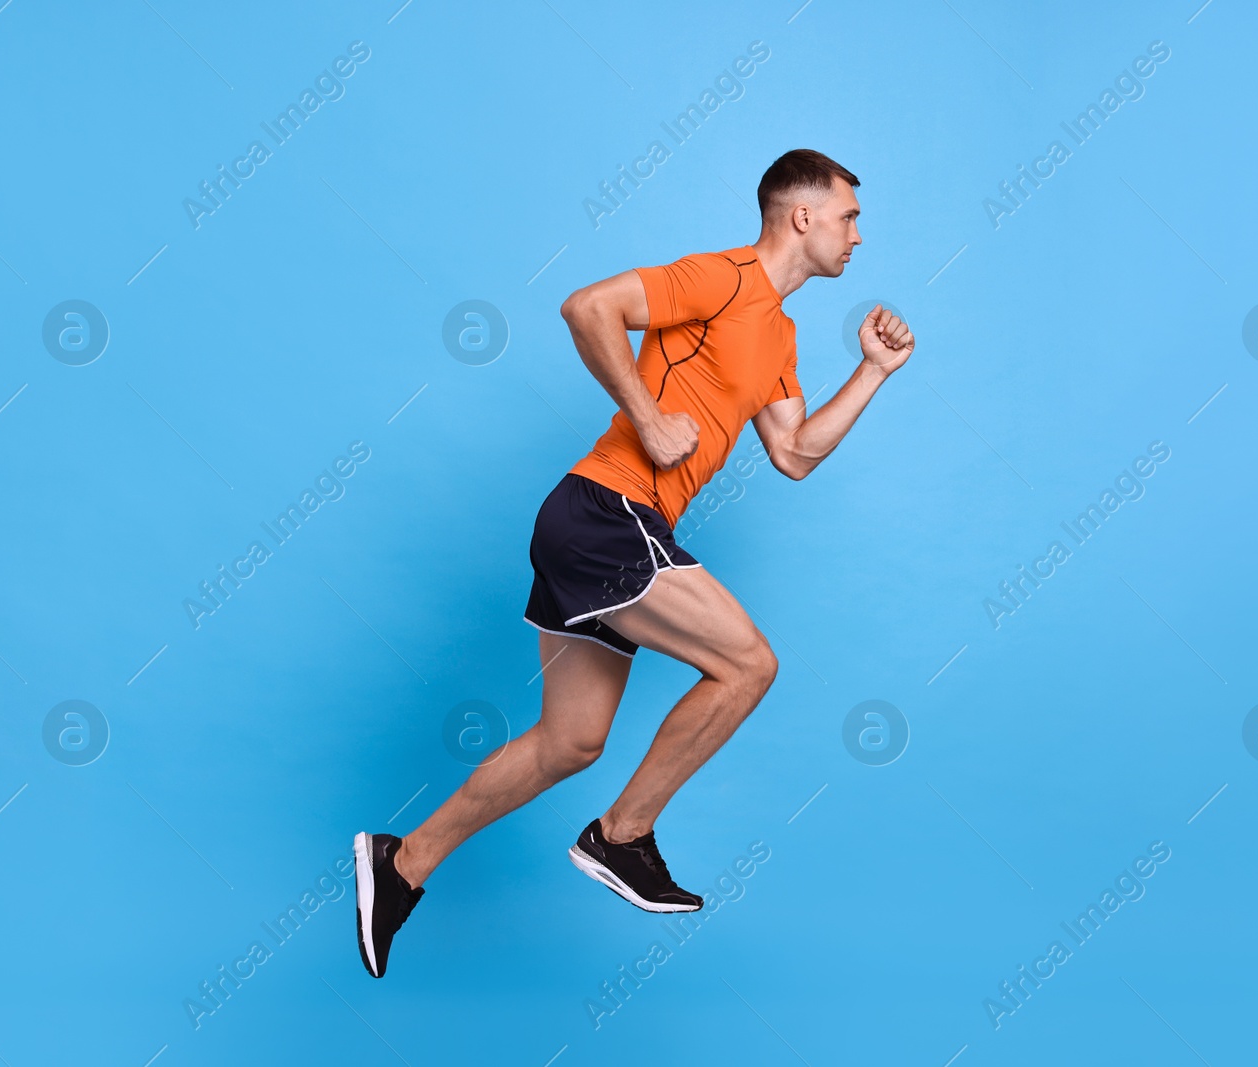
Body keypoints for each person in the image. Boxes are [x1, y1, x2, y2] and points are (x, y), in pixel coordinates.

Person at [354, 148, 914, 978]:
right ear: (803, 215)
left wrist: (872, 371)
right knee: (748, 664)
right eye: (850, 216)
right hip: (606, 513)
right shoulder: (720, 277)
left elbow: (794, 453)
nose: (858, 236)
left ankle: (401, 864)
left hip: (599, 527)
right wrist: (648, 419)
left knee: (570, 741)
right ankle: (622, 836)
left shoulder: (782, 334)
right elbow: (588, 308)